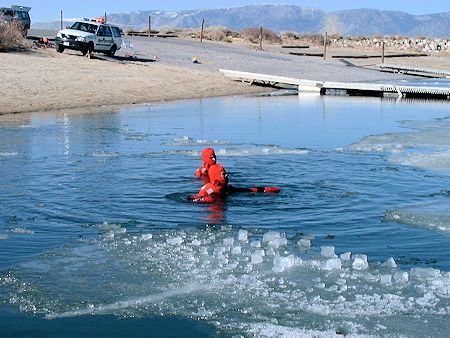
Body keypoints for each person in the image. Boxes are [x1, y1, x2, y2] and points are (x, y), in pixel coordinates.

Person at [189, 164, 280, 203]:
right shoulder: (209, 188)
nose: (227, 176)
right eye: (223, 174)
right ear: (216, 176)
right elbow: (194, 198)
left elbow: (247, 190)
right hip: (214, 213)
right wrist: (203, 200)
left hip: (222, 211)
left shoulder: (228, 188)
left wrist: (265, 189)